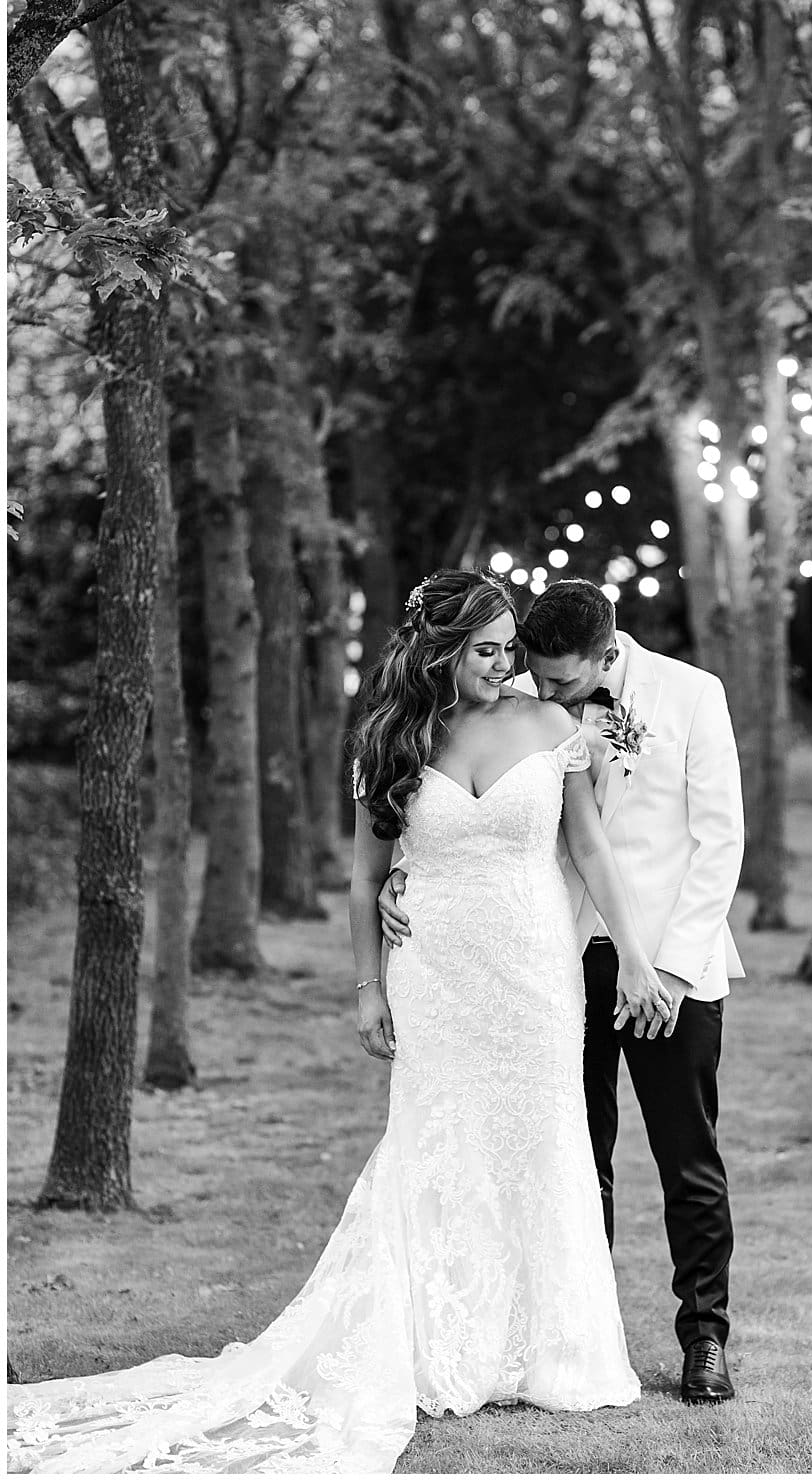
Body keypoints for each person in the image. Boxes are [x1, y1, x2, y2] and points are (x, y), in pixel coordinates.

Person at [8, 569, 671, 1475]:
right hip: (435, 976)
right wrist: (369, 984)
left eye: (509, 648)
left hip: (534, 975)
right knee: (437, 1143)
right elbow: (367, 875)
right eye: (485, 650)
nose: (504, 664)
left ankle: (551, 1350)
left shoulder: (554, 727)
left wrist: (633, 954)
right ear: (439, 651)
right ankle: (446, 1344)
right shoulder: (394, 739)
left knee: (543, 1139)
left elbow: (587, 845)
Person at [381, 576, 745, 1405]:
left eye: (559, 682)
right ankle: (580, 1334)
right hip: (549, 961)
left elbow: (720, 840)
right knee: (575, 1156)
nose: (538, 691)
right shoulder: (515, 697)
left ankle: (706, 1336)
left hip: (666, 965)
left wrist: (673, 970)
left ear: (608, 655)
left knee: (687, 1159)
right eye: (532, 677)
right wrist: (402, 878)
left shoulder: (693, 696)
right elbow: (465, 809)